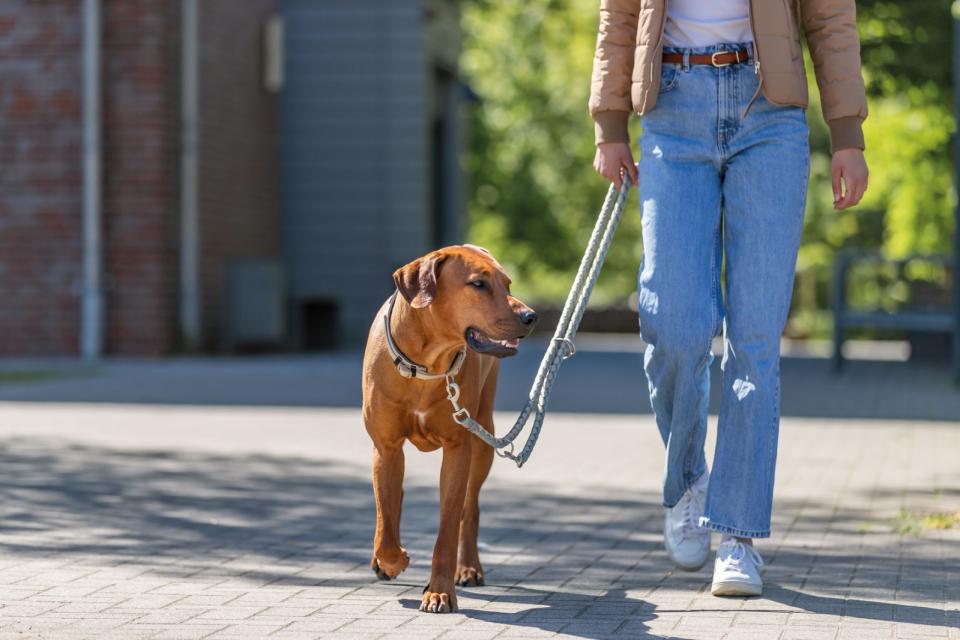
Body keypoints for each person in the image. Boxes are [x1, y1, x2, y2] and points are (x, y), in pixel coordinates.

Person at [589, 0, 868, 596]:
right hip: (672, 106)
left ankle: (738, 535)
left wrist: (847, 131)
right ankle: (689, 479)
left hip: (769, 112)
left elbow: (831, 19)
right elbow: (618, 17)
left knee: (755, 338)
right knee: (674, 323)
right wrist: (610, 122)